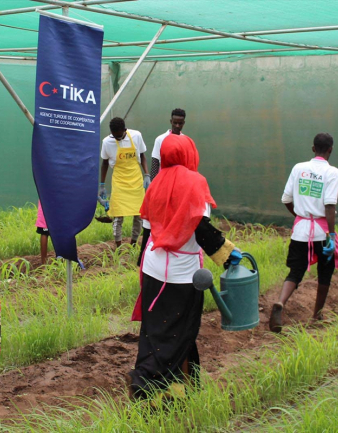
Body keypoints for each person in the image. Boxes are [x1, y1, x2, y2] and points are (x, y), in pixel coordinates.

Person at [128, 134, 240, 399]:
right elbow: (200, 228)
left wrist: (141, 262)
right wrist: (227, 253)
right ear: (190, 154)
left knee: (156, 331)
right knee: (182, 331)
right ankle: (156, 386)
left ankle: (174, 387)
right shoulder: (195, 183)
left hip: (153, 269)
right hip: (182, 275)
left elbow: (147, 229)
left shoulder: (155, 184)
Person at [269, 133, 338, 333]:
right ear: (330, 150)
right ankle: (317, 315)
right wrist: (331, 235)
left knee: (295, 271)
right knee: (325, 273)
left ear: (313, 148)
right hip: (322, 232)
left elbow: (286, 199)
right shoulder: (332, 172)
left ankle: (281, 302)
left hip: (300, 232)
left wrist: (300, 216)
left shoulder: (298, 168)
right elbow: (329, 206)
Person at [139, 108, 187, 265]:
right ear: (170, 121)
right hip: (162, 186)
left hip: (178, 188)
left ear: (184, 123)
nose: (177, 126)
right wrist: (154, 187)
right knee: (151, 222)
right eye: (175, 123)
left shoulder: (186, 140)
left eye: (180, 123)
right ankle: (143, 259)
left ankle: (167, 256)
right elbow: (155, 163)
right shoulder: (161, 139)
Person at [99, 117, 149, 249]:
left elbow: (142, 155)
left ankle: (133, 244)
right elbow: (104, 163)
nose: (117, 139)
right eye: (115, 136)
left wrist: (147, 174)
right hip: (119, 181)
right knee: (118, 215)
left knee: (139, 214)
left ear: (125, 130)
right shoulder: (107, 142)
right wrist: (102, 184)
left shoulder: (136, 136)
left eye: (120, 136)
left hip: (135, 180)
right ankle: (118, 247)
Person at [36, 200, 49, 265]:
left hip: (44, 205)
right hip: (57, 205)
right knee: (60, 233)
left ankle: (44, 263)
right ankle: (62, 260)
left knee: (44, 233)